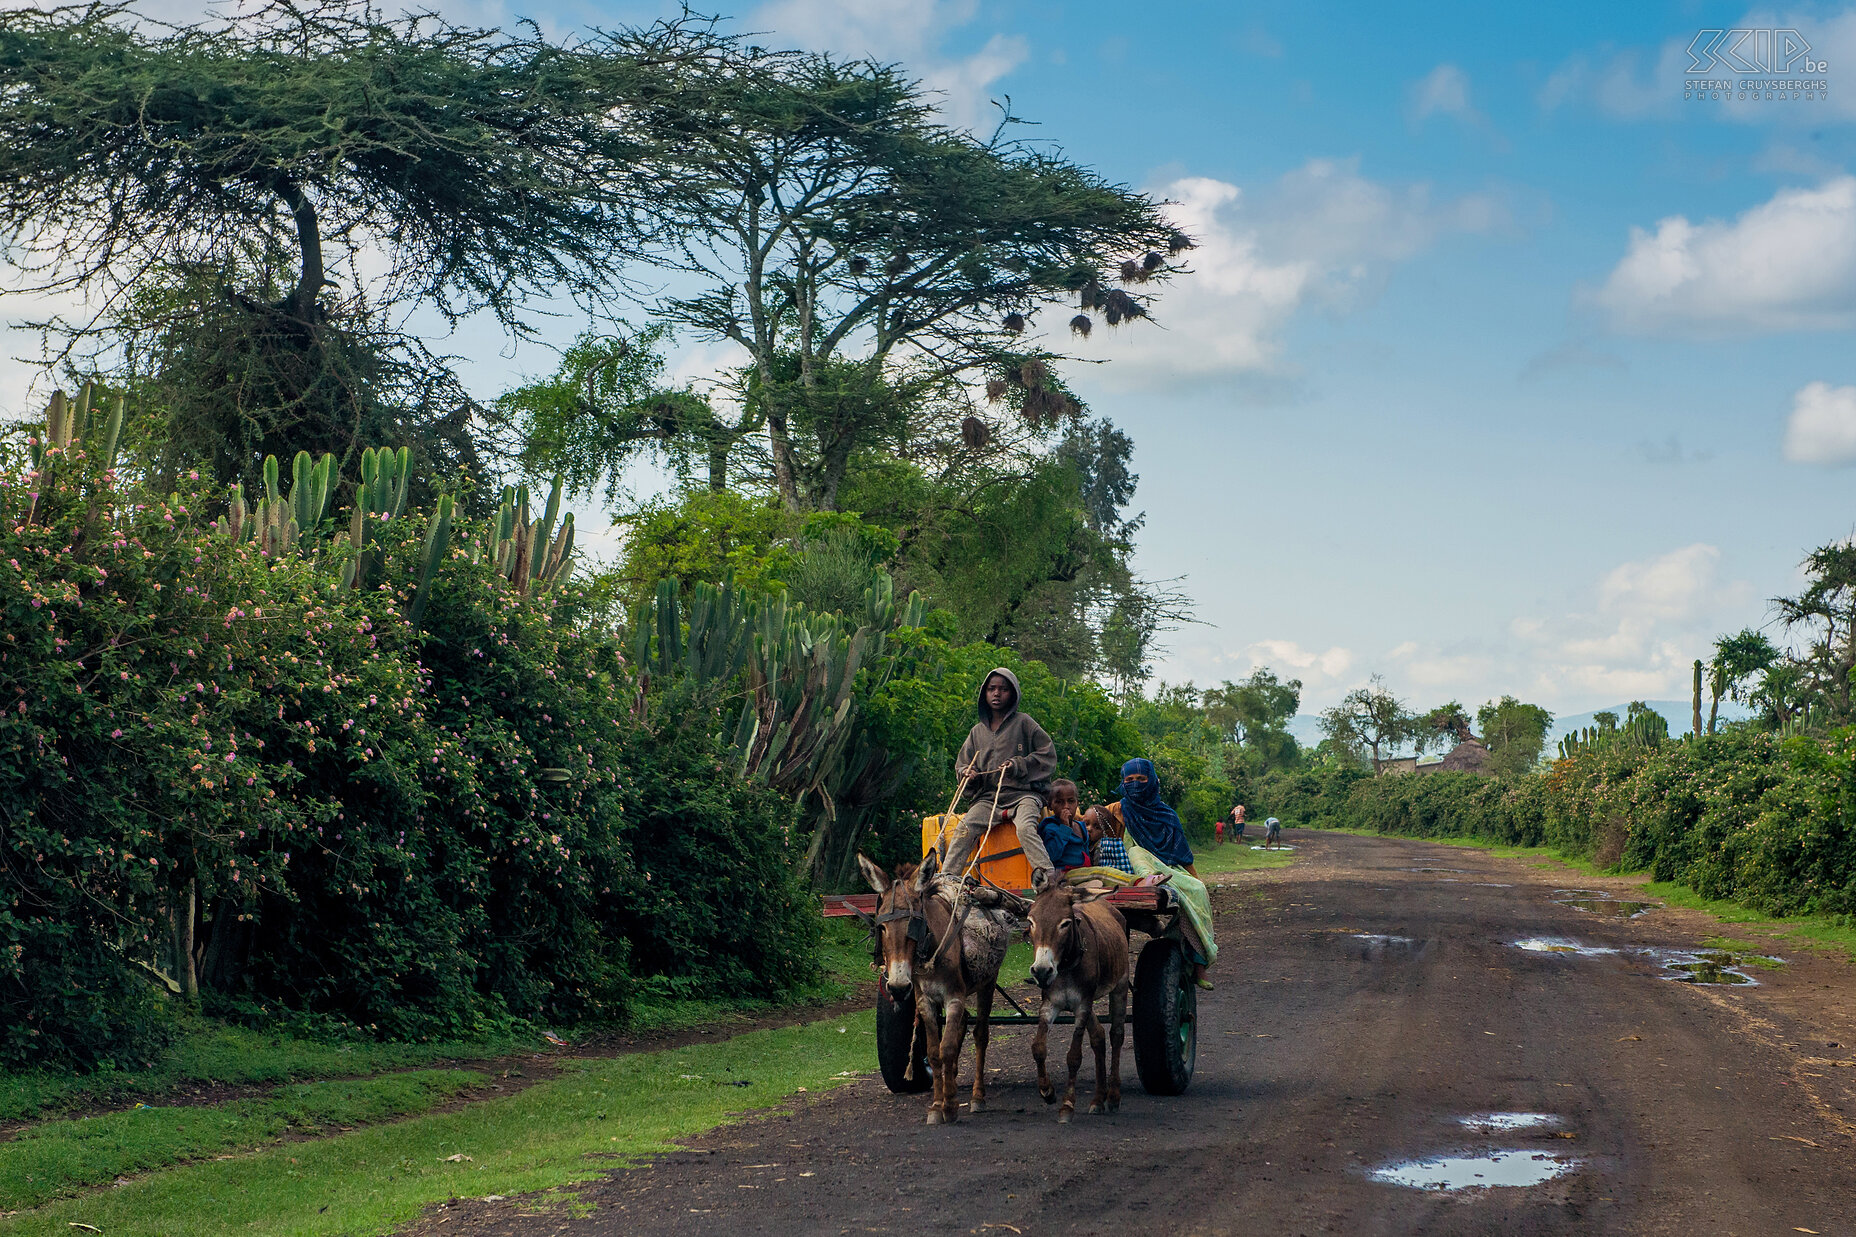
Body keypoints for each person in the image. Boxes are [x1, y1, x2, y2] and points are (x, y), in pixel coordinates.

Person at [1086, 758, 1217, 989]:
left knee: (1197, 892)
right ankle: (1147, 881)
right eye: (1129, 780)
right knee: (1136, 851)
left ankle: (1198, 962)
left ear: (1152, 781)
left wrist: (1197, 880)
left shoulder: (1167, 815)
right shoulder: (1116, 810)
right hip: (1128, 872)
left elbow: (1183, 856)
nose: (1135, 784)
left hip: (1168, 871)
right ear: (1123, 783)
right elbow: (1092, 829)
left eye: (1141, 779)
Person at [942, 666, 1058, 887]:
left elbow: (1047, 754)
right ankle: (947, 880)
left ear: (1012, 694)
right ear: (984, 694)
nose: (997, 693)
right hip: (988, 799)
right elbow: (962, 765)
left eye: (1003, 689)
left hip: (1023, 795)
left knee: (1025, 828)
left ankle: (1047, 878)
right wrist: (968, 774)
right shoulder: (976, 732)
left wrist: (1018, 764)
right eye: (992, 689)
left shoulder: (1024, 722)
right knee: (964, 828)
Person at [1038, 779, 1092, 874]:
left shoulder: (1081, 826)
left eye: (1071, 801)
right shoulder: (1050, 827)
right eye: (1059, 802)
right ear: (1050, 806)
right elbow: (1052, 856)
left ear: (1077, 803)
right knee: (1103, 873)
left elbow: (1085, 851)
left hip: (1084, 872)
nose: (1066, 806)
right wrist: (1064, 828)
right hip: (1063, 875)